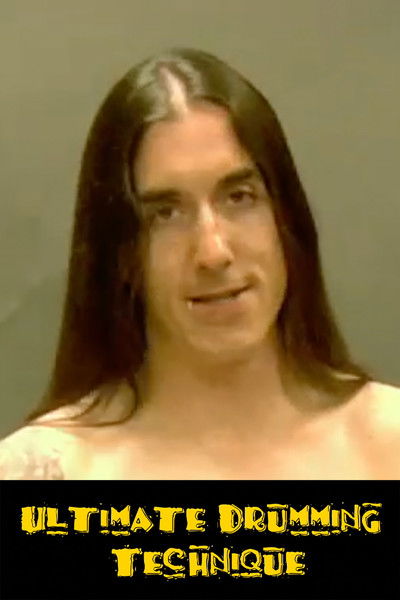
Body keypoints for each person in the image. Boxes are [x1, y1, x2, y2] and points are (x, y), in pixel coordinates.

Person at [1, 48, 399, 480]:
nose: (212, 251)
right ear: (119, 254)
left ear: (287, 217)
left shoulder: (388, 447)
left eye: (239, 197)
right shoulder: (46, 471)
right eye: (165, 214)